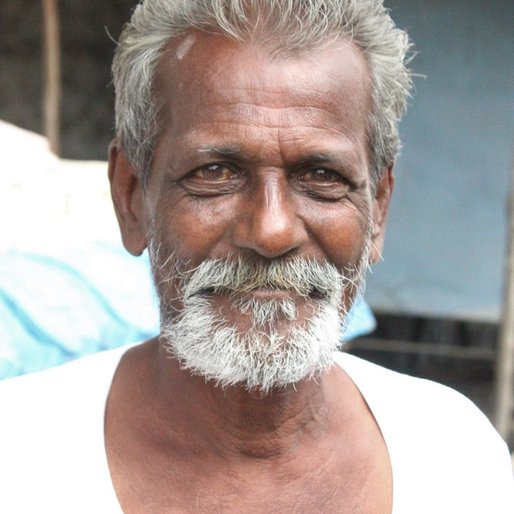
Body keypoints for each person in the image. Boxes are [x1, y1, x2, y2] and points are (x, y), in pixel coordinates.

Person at [1, 1, 513, 512]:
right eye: (215, 172)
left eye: (321, 177)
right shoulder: (19, 458)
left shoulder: (457, 458)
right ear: (132, 198)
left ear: (377, 209)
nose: (270, 232)